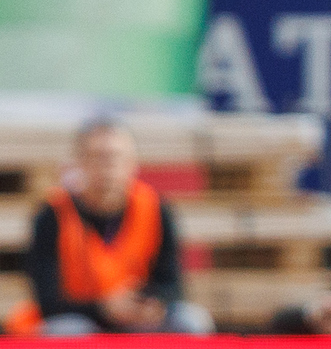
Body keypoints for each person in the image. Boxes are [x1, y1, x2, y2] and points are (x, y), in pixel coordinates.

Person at [5, 118, 212, 336]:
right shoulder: (52, 215)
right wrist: (104, 308)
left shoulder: (155, 209)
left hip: (139, 320)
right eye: (98, 157)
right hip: (82, 320)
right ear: (80, 163)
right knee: (66, 331)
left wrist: (152, 303)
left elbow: (173, 285)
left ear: (133, 162)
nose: (108, 166)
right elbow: (47, 301)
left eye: (116, 157)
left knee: (191, 321)